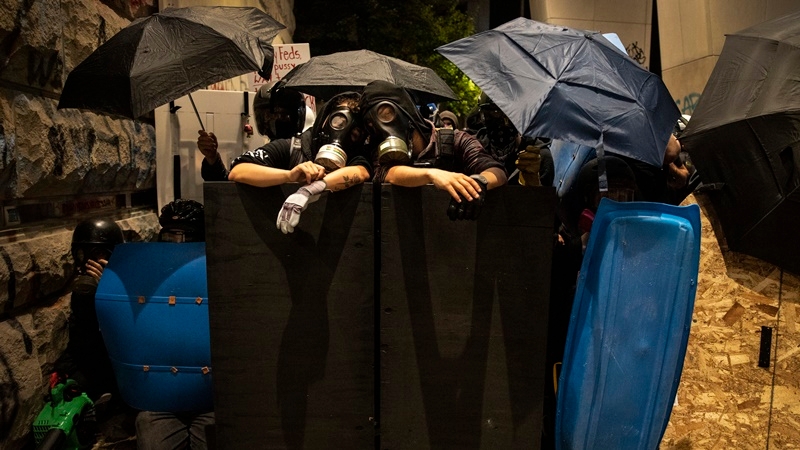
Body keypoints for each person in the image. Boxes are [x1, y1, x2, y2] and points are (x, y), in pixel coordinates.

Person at [225, 90, 372, 234]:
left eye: (354, 134)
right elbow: (239, 171)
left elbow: (361, 171)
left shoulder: (355, 155)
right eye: (339, 123)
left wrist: (308, 190)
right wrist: (290, 175)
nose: (343, 134)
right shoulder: (294, 147)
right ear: (325, 120)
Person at [361, 80, 507, 221]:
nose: (379, 127)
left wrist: (480, 182)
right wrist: (432, 175)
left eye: (386, 115)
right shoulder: (378, 149)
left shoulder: (455, 139)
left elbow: (496, 170)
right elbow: (387, 173)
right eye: (370, 123)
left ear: (406, 112)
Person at [135, 199, 215, 450]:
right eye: (167, 236)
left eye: (179, 236)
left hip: (210, 395)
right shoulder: (147, 278)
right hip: (162, 398)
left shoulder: (221, 275)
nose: (172, 244)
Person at [54, 219, 124, 405]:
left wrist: (107, 292)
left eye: (100, 254)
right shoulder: (83, 294)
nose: (91, 262)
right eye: (84, 254)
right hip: (95, 357)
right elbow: (82, 334)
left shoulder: (128, 286)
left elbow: (125, 335)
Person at [196, 80, 314, 182]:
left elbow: (235, 175)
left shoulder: (301, 147)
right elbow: (231, 183)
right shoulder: (273, 149)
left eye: (281, 115)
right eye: (266, 115)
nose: (271, 120)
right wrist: (212, 158)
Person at [475, 94, 554, 187]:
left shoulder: (538, 155)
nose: (505, 121)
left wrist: (533, 182)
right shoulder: (472, 150)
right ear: (483, 114)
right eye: (496, 112)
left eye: (511, 113)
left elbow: (546, 199)